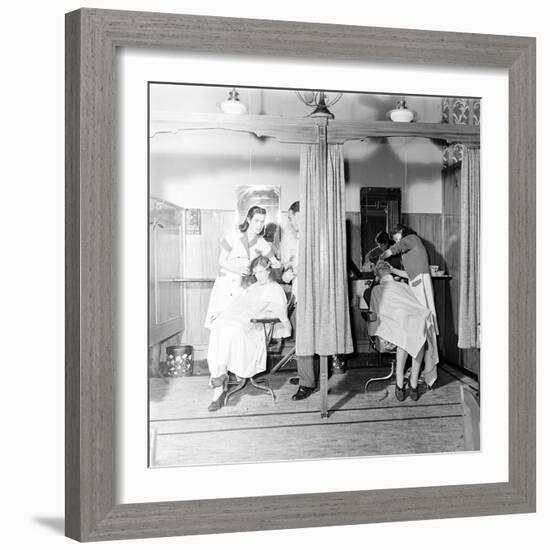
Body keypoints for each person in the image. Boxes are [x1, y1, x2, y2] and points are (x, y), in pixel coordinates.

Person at [206, 256, 291, 411]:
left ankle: (220, 379)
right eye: (255, 273)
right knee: (219, 325)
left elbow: (279, 315)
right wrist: (221, 312)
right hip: (243, 324)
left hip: (258, 330)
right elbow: (237, 305)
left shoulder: (275, 289)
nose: (258, 276)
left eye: (261, 272)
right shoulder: (253, 287)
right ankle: (220, 373)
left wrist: (253, 317)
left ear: (269, 270)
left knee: (231, 328)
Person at [368, 261, 439, 400]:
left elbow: (374, 315)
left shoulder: (378, 289)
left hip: (407, 322)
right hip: (399, 325)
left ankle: (402, 382)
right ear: (389, 271)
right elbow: (375, 316)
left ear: (378, 275)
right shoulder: (397, 287)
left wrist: (373, 331)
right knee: (412, 332)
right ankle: (412, 383)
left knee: (412, 330)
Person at [204, 205, 279, 329]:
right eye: (256, 221)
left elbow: (275, 261)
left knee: (239, 323)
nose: (259, 225)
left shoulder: (262, 242)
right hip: (226, 284)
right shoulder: (233, 236)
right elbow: (221, 261)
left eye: (262, 221)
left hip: (244, 286)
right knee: (221, 322)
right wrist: (238, 270)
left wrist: (275, 264)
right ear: (249, 220)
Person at [282, 201, 319, 401]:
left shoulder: (310, 238)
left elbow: (311, 266)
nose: (290, 222)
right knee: (302, 338)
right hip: (299, 294)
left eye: (290, 217)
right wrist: (290, 268)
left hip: (308, 295)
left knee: (304, 340)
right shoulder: (301, 238)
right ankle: (308, 375)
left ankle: (308, 383)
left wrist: (294, 271)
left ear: (299, 214)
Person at [380, 224, 439, 334]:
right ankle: (426, 340)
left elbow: (395, 248)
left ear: (402, 231)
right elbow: (409, 274)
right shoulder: (409, 249)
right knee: (423, 313)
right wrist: (392, 270)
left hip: (420, 279)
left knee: (422, 313)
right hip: (416, 279)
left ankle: (426, 340)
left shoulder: (412, 238)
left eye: (397, 238)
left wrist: (383, 255)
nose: (397, 242)